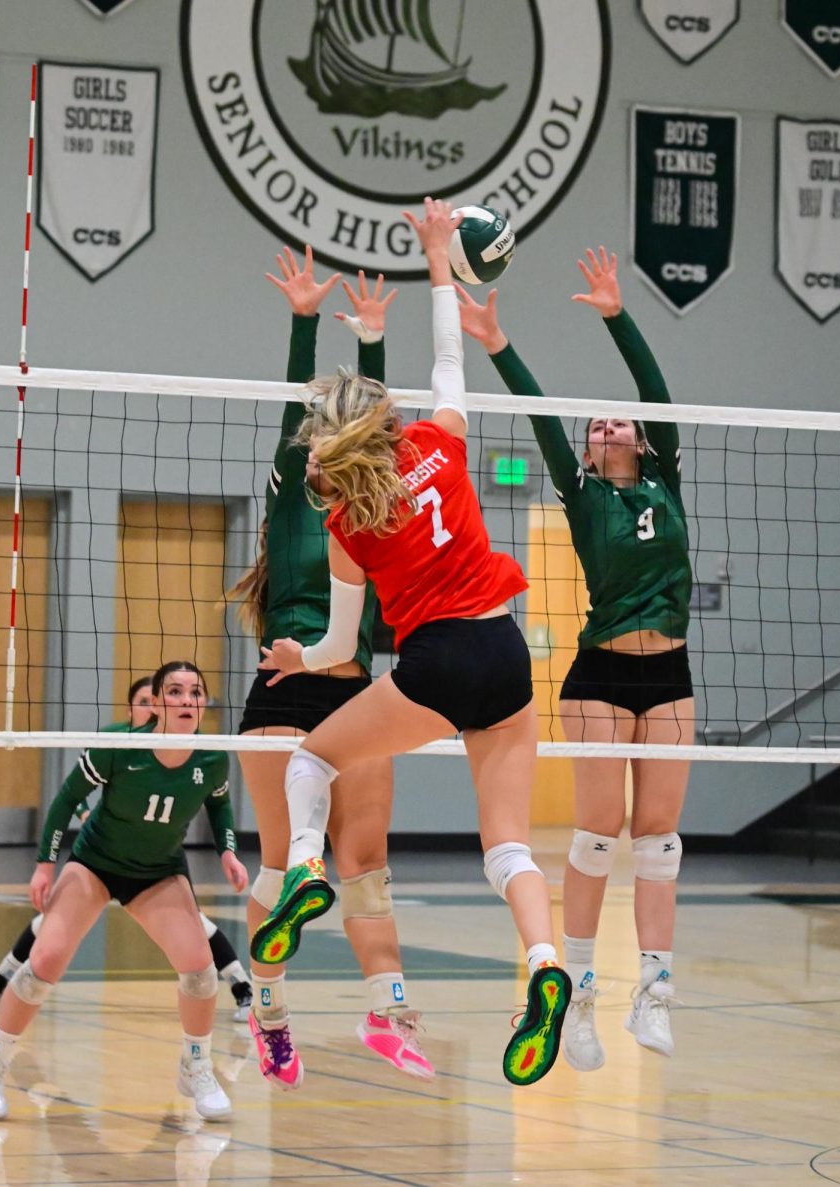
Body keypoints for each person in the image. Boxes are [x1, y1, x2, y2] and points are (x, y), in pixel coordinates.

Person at [252, 199, 572, 1088]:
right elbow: (446, 361)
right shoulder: (439, 444)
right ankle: (546, 964)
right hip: (505, 653)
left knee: (312, 764)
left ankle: (308, 871)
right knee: (509, 846)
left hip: (433, 664)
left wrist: (295, 661)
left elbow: (340, 644)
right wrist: (439, 262)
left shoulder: (349, 523)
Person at [455, 246, 692, 1066]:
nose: (607, 425)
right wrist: (495, 342)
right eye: (597, 425)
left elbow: (656, 392)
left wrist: (616, 313)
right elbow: (539, 416)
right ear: (589, 453)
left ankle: (654, 994)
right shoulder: (582, 490)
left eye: (615, 419)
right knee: (599, 833)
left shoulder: (666, 480)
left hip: (670, 672)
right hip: (598, 675)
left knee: (660, 840)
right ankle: (581, 998)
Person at [228, 244, 432, 1087]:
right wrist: (305, 320)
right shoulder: (289, 485)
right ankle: (267, 1016)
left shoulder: (373, 502)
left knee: (366, 862)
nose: (318, 447)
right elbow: (297, 406)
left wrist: (378, 339)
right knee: (283, 868)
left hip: (357, 690)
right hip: (286, 685)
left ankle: (388, 1011)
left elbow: (380, 435)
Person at [0, 661, 244, 1123]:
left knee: (199, 970)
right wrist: (44, 866)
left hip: (158, 871)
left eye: (194, 692)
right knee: (45, 962)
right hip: (94, 864)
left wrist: (229, 852)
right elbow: (64, 800)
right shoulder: (120, 744)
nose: (185, 701)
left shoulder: (213, 756)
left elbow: (218, 805)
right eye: (174, 692)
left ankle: (195, 1064)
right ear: (155, 703)